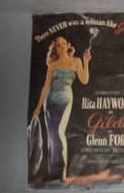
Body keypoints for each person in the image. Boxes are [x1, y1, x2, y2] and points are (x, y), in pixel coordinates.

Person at [31, 36, 92, 182]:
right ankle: (53, 172)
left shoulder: (76, 61)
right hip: (50, 102)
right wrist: (38, 107)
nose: (61, 46)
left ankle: (63, 172)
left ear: (67, 45)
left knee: (59, 132)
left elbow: (84, 80)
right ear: (55, 49)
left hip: (65, 100)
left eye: (63, 43)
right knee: (52, 137)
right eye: (57, 45)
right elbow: (46, 87)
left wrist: (86, 61)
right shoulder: (53, 65)